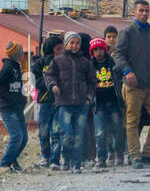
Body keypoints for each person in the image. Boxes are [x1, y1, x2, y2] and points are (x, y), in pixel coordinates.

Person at [113, 0, 150, 169]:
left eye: (147, 10)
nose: (144, 13)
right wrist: (127, 71)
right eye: (141, 10)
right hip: (133, 85)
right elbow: (118, 55)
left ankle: (148, 153)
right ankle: (135, 156)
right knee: (132, 120)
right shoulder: (126, 33)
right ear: (134, 12)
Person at [44, 32, 96, 172]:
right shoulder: (58, 60)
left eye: (77, 43)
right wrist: (53, 85)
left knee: (79, 136)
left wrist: (88, 98)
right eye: (71, 42)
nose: (74, 45)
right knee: (66, 135)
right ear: (66, 44)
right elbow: (49, 75)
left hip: (81, 104)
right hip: (64, 103)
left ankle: (76, 164)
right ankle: (65, 158)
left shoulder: (86, 62)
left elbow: (92, 81)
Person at [0, 41, 28, 172]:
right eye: (21, 52)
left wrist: (23, 99)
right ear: (17, 54)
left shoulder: (17, 66)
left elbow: (17, 86)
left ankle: (13, 160)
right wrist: (9, 97)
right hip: (7, 108)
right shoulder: (8, 67)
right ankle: (4, 164)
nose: (23, 54)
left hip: (17, 108)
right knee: (17, 135)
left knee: (24, 138)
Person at [89, 39, 124, 168]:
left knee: (117, 130)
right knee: (100, 132)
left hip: (114, 101)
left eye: (101, 49)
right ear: (92, 52)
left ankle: (118, 154)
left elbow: (120, 78)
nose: (99, 52)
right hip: (98, 103)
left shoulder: (112, 63)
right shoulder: (90, 66)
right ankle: (101, 158)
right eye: (95, 50)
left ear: (105, 50)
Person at [30, 34, 62, 167]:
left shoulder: (64, 62)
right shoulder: (39, 63)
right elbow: (36, 82)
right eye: (58, 49)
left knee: (56, 131)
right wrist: (51, 83)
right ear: (50, 49)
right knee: (43, 131)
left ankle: (55, 159)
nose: (61, 52)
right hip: (44, 101)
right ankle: (45, 156)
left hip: (60, 101)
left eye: (62, 49)